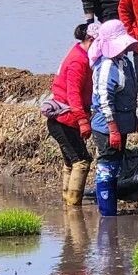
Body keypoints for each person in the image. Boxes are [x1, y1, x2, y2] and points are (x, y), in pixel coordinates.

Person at [88, 20, 138, 216]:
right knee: (107, 167)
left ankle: (110, 211)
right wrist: (113, 129)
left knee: (115, 167)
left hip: (121, 124)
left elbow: (131, 94)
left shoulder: (125, 63)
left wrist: (134, 119)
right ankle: (107, 215)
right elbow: (104, 99)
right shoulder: (107, 66)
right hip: (106, 127)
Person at [44, 22, 95, 207]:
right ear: (91, 40)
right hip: (65, 120)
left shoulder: (78, 53)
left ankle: (67, 204)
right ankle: (74, 208)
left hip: (62, 119)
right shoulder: (78, 61)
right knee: (82, 161)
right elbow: (73, 94)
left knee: (70, 162)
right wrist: (83, 121)